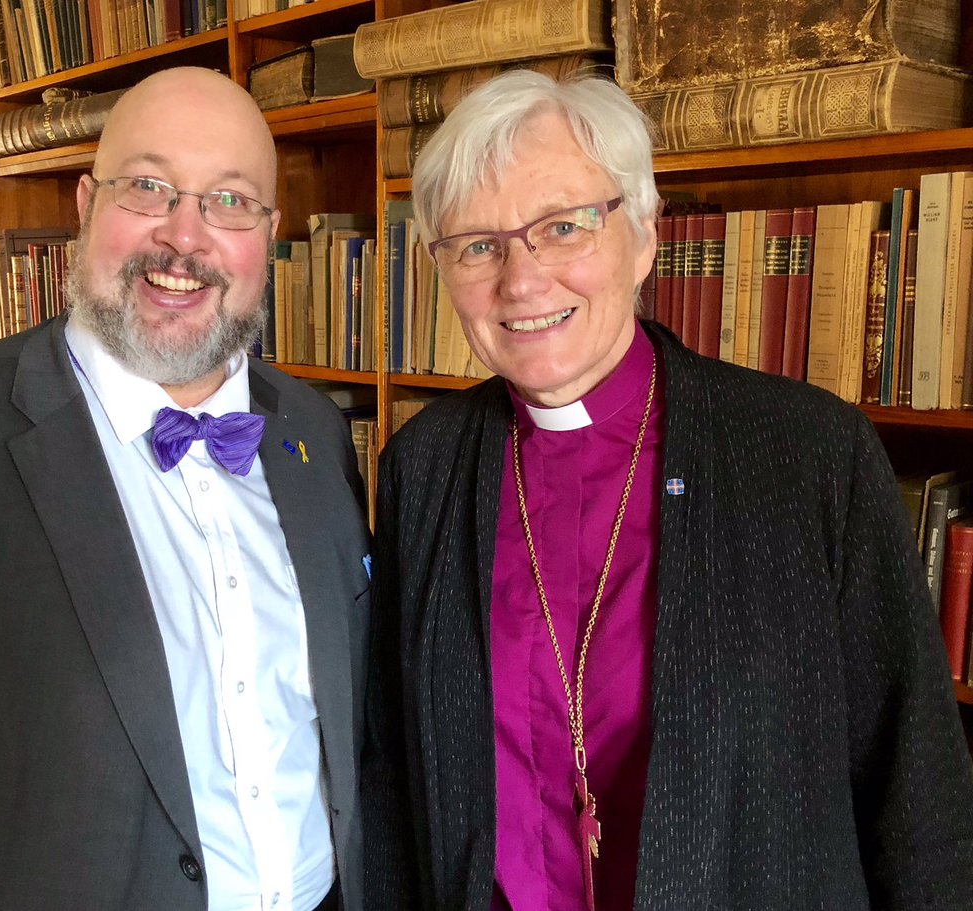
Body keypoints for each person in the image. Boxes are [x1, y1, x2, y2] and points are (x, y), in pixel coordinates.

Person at [361, 70, 973, 911]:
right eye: (477, 245)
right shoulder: (423, 466)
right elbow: (393, 778)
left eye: (564, 226)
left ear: (644, 234)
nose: (521, 280)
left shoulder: (809, 453)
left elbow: (919, 791)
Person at [0, 67, 371, 911]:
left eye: (229, 201)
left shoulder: (313, 430)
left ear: (268, 235)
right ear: (87, 204)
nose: (185, 237)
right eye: (149, 187)